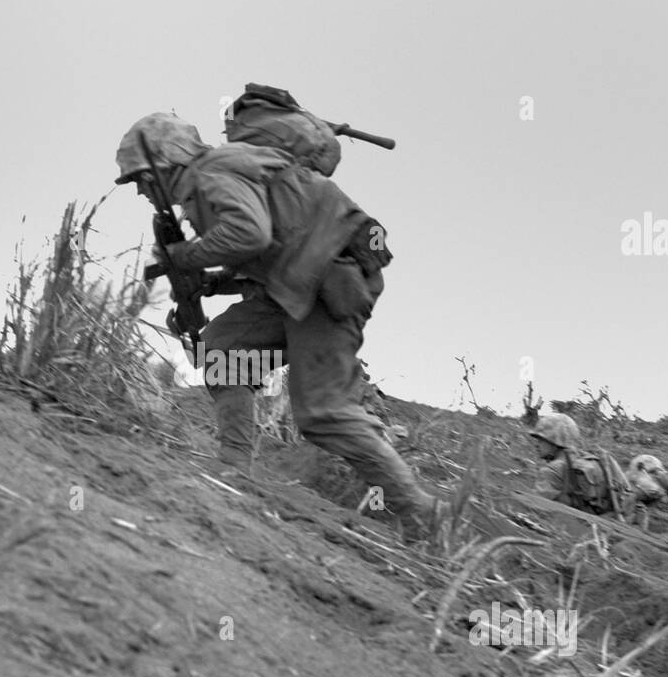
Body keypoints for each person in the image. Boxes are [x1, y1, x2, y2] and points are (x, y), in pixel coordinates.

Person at [114, 112, 445, 546]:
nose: (140, 189)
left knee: (322, 416)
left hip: (330, 285)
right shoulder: (215, 179)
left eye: (140, 177)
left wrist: (186, 256)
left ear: (164, 161)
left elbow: (249, 234)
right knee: (224, 347)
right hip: (296, 285)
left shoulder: (212, 174)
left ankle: (421, 513)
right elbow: (264, 255)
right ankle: (234, 469)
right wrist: (210, 281)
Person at [528, 413, 625, 516]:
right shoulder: (589, 460)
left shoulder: (550, 471)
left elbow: (536, 508)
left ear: (555, 441)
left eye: (541, 440)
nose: (536, 445)